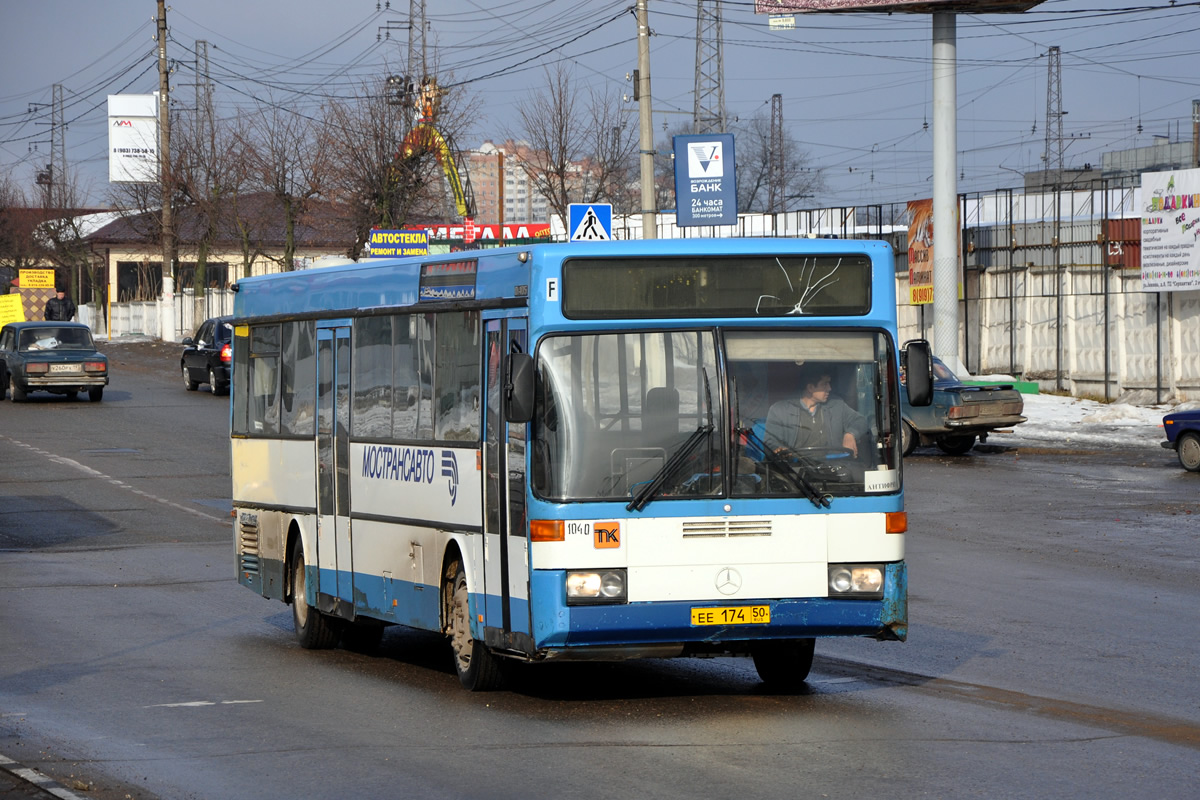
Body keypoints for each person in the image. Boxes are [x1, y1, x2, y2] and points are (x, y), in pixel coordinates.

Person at [765, 362, 868, 457]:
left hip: (833, 467)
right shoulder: (779, 410)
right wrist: (780, 450)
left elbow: (861, 421)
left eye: (829, 383)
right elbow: (771, 442)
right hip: (795, 470)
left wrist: (850, 434)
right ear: (810, 388)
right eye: (824, 384)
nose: (829, 388)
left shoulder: (837, 405)